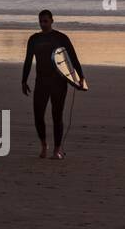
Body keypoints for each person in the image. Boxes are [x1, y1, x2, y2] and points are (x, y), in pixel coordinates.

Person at [21, 9, 83, 159]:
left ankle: (57, 150)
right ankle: (44, 145)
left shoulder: (61, 38)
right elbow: (28, 60)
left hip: (59, 82)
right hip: (41, 82)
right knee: (38, 116)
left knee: (57, 115)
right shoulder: (34, 39)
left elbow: (73, 58)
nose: (43, 24)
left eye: (45, 21)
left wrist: (80, 77)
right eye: (40, 21)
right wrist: (24, 80)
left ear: (52, 21)